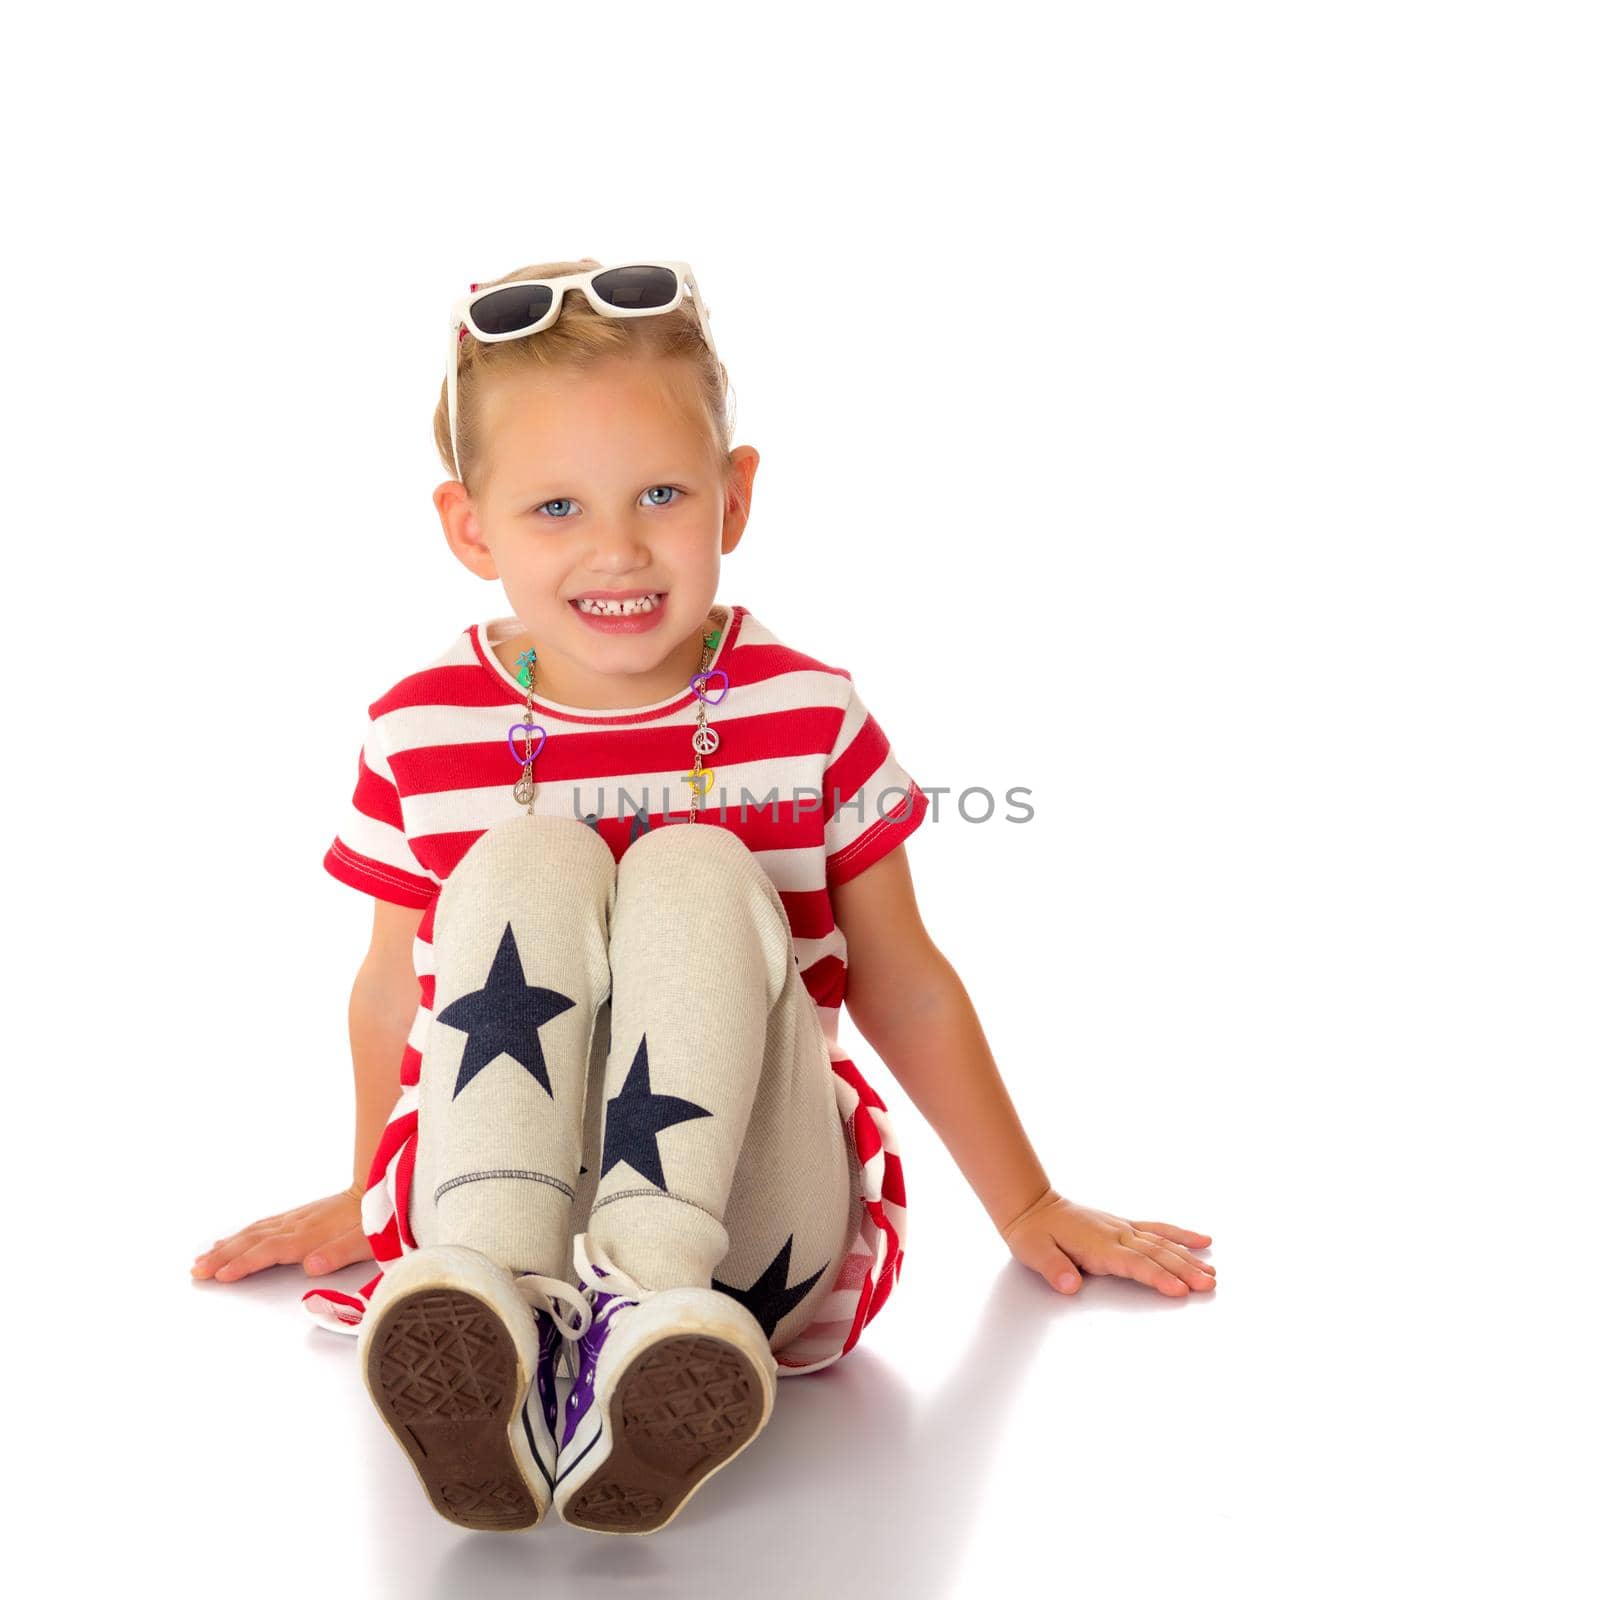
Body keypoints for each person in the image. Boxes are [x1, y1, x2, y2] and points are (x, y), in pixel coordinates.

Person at [190, 257, 1217, 1536]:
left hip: (746, 1244)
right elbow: (392, 988)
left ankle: (649, 1315)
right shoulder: (420, 731)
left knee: (693, 865)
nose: (616, 547)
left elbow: (901, 976)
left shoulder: (807, 714)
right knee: (521, 859)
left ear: (733, 499)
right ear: (470, 528)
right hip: (499, 1204)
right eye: (554, 506)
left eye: (661, 494)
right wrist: (367, 1192)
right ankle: (489, 1307)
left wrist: (1027, 1200)